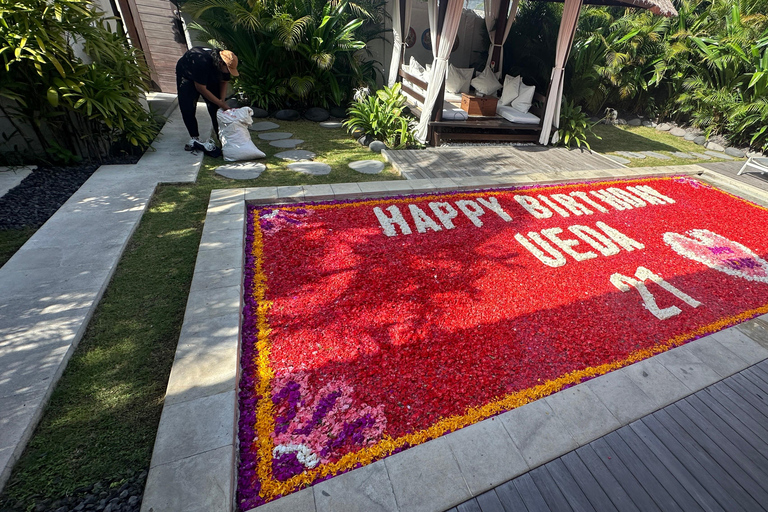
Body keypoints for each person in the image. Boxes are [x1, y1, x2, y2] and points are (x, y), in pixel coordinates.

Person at [175, 47, 239, 152]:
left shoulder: (225, 63)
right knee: (187, 107)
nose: (229, 72)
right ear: (220, 63)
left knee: (215, 107)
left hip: (208, 73)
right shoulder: (202, 62)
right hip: (187, 75)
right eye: (228, 69)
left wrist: (221, 101)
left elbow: (224, 81)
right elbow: (200, 88)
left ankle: (221, 139)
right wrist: (222, 104)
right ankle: (194, 138)